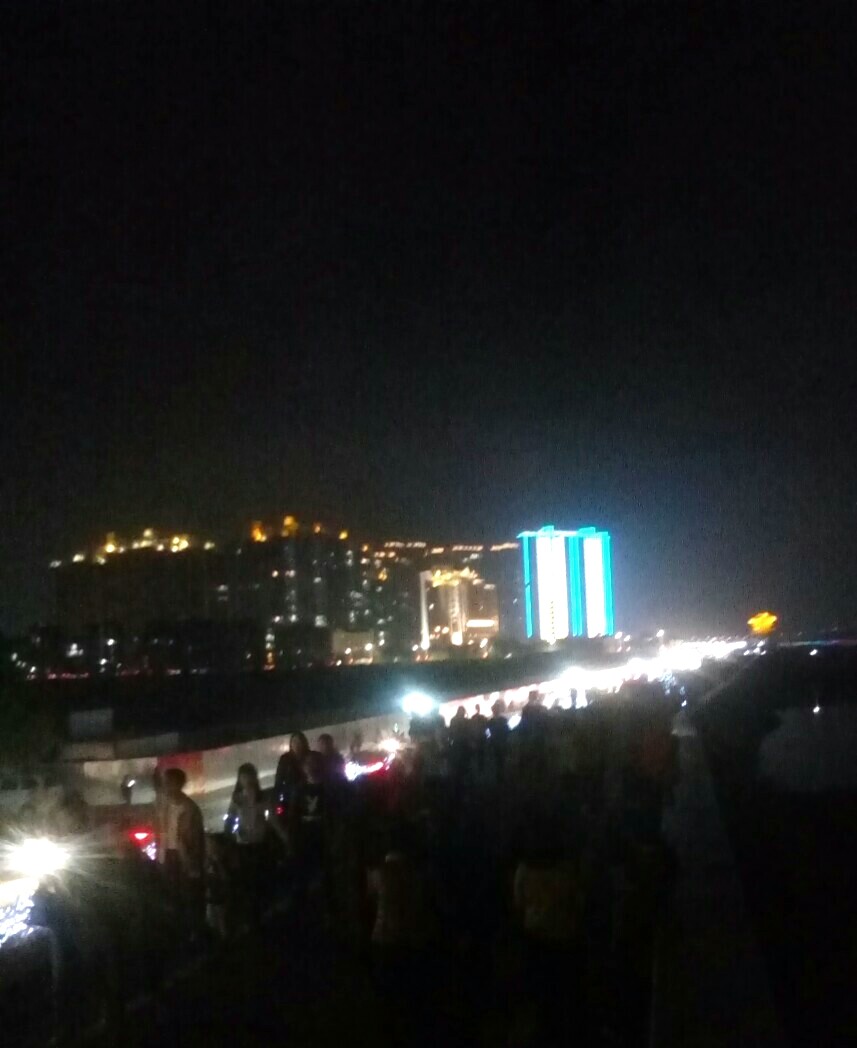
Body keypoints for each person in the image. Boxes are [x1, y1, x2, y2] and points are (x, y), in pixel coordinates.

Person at [156, 768, 206, 940]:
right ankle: (178, 933)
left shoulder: (190, 809)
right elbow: (161, 832)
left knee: (188, 896)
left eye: (168, 783)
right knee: (172, 896)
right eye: (165, 783)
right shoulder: (164, 806)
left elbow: (196, 839)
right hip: (168, 855)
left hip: (184, 856)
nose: (165, 787)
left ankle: (192, 933)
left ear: (178, 784)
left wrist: (193, 862)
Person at [226, 762, 272, 929]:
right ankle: (251, 919)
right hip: (243, 845)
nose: (246, 780)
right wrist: (231, 836)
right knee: (247, 882)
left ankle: (260, 916)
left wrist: (284, 837)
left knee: (259, 881)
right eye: (243, 777)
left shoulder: (262, 797)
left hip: (259, 844)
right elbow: (230, 819)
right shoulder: (237, 799)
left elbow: (272, 819)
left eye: (249, 776)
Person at [273, 731, 310, 822]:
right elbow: (279, 780)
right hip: (290, 795)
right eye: (294, 742)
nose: (297, 745)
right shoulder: (285, 759)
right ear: (291, 744)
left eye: (299, 742)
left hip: (308, 792)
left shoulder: (310, 757)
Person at [488, 700, 510, 783]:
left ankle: (499, 778)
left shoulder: (490, 722)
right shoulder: (503, 720)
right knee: (502, 761)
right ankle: (503, 777)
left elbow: (488, 734)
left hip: (495, 744)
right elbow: (507, 731)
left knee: (497, 761)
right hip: (502, 743)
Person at [470, 703, 489, 776]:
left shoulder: (473, 718)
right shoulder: (482, 717)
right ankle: (482, 770)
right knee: (482, 754)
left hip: (477, 738)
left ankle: (479, 771)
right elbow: (486, 727)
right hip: (481, 738)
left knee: (477, 755)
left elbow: (471, 729)